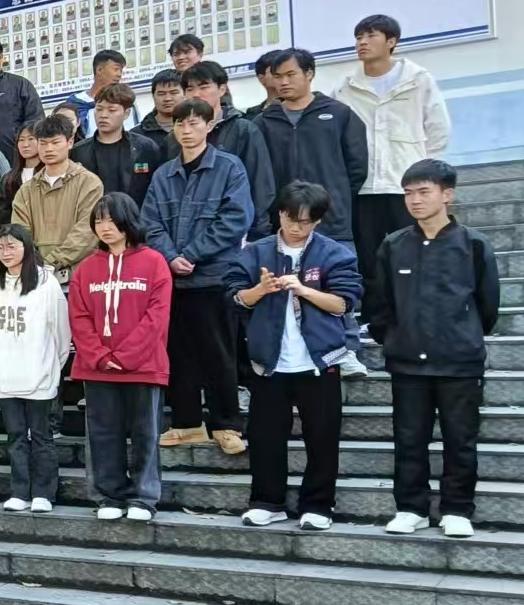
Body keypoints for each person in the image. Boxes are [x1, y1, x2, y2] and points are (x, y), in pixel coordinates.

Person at [366, 159, 500, 538]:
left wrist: (463, 338)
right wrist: (395, 339)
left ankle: (457, 509)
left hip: (459, 363)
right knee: (409, 438)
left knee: (461, 439)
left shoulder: (473, 245)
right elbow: (379, 305)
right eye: (408, 193)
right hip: (408, 363)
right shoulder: (393, 245)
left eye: (424, 191)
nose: (415, 200)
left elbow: (488, 306)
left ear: (447, 194)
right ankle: (411, 508)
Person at [224, 182, 362, 531]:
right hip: (270, 362)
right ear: (280, 214)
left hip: (319, 360)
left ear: (318, 221)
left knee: (322, 437)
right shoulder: (256, 252)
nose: (297, 227)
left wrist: (304, 290)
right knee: (265, 436)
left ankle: (318, 504)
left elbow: (343, 303)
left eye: (306, 221)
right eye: (291, 219)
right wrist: (260, 289)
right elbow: (234, 297)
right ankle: (266, 501)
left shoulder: (333, 253)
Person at [141, 97, 254, 455]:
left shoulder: (229, 167)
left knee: (218, 353)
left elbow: (236, 219)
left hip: (214, 278)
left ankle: (226, 424)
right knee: (178, 353)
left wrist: (191, 254)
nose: (187, 130)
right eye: (181, 124)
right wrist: (171, 257)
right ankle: (187, 423)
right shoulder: (164, 174)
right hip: (173, 280)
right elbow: (150, 223)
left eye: (194, 123)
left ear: (210, 125)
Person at [259, 47, 370, 376]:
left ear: (309, 74)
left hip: (330, 219)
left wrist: (333, 200)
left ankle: (348, 350)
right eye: (278, 76)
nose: (283, 82)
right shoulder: (264, 122)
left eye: (291, 74)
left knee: (338, 284)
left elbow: (356, 167)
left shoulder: (338, 114)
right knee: (287, 286)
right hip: (283, 222)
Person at [332, 14, 452, 304]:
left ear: (391, 42)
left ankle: (417, 309)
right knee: (370, 257)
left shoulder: (418, 80)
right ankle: (375, 314)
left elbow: (438, 128)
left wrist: (427, 177)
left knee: (414, 250)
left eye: (371, 35)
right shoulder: (345, 88)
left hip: (407, 187)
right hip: (364, 188)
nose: (362, 42)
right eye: (358, 37)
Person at [69, 194, 173, 521]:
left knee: (145, 434)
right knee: (102, 435)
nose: (105, 227)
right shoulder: (86, 268)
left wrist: (126, 356)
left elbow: (157, 316)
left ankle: (143, 498)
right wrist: (100, 356)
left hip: (144, 366)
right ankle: (108, 495)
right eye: (99, 221)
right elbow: (79, 318)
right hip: (97, 368)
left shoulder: (154, 262)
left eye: (112, 220)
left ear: (128, 221)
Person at [0, 223, 71, 513]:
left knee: (42, 437)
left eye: (12, 246)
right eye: (0, 247)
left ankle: (44, 493)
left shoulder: (46, 283)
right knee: (16, 437)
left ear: (27, 247)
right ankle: (20, 491)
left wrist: (52, 366)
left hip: (39, 374)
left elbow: (61, 331)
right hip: (6, 375)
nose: (6, 252)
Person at [181, 60, 276, 236]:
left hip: (238, 231)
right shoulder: (177, 136)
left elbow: (260, 185)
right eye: (189, 89)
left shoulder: (243, 129)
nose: (196, 94)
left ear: (222, 89)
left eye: (204, 87)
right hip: (189, 232)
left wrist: (253, 230)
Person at [10, 113, 105, 284]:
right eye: (43, 143)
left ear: (70, 142)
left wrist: (51, 261)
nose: (49, 149)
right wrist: (37, 265)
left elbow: (87, 231)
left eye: (55, 142)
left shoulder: (89, 183)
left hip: (82, 275)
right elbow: (20, 233)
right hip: (38, 278)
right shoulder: (26, 190)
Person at [73, 83, 161, 206]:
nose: (103, 115)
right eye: (99, 109)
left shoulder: (145, 148)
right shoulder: (78, 152)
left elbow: (156, 191)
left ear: (126, 113)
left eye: (112, 110)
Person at [0, 123, 43, 230]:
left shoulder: (49, 174)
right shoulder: (9, 179)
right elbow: (0, 213)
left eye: (31, 139)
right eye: (21, 140)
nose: (25, 144)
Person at [65, 48, 126, 136]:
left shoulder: (124, 101)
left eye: (121, 70)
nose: (119, 74)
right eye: (116, 69)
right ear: (99, 70)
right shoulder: (75, 102)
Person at [137, 68, 184, 160]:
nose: (167, 98)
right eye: (161, 94)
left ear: (185, 94)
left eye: (174, 93)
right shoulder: (137, 135)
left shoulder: (199, 128)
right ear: (153, 96)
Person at [244, 50, 283, 119]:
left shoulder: (301, 107)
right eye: (276, 71)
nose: (284, 77)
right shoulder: (253, 114)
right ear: (262, 78)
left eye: (290, 73)